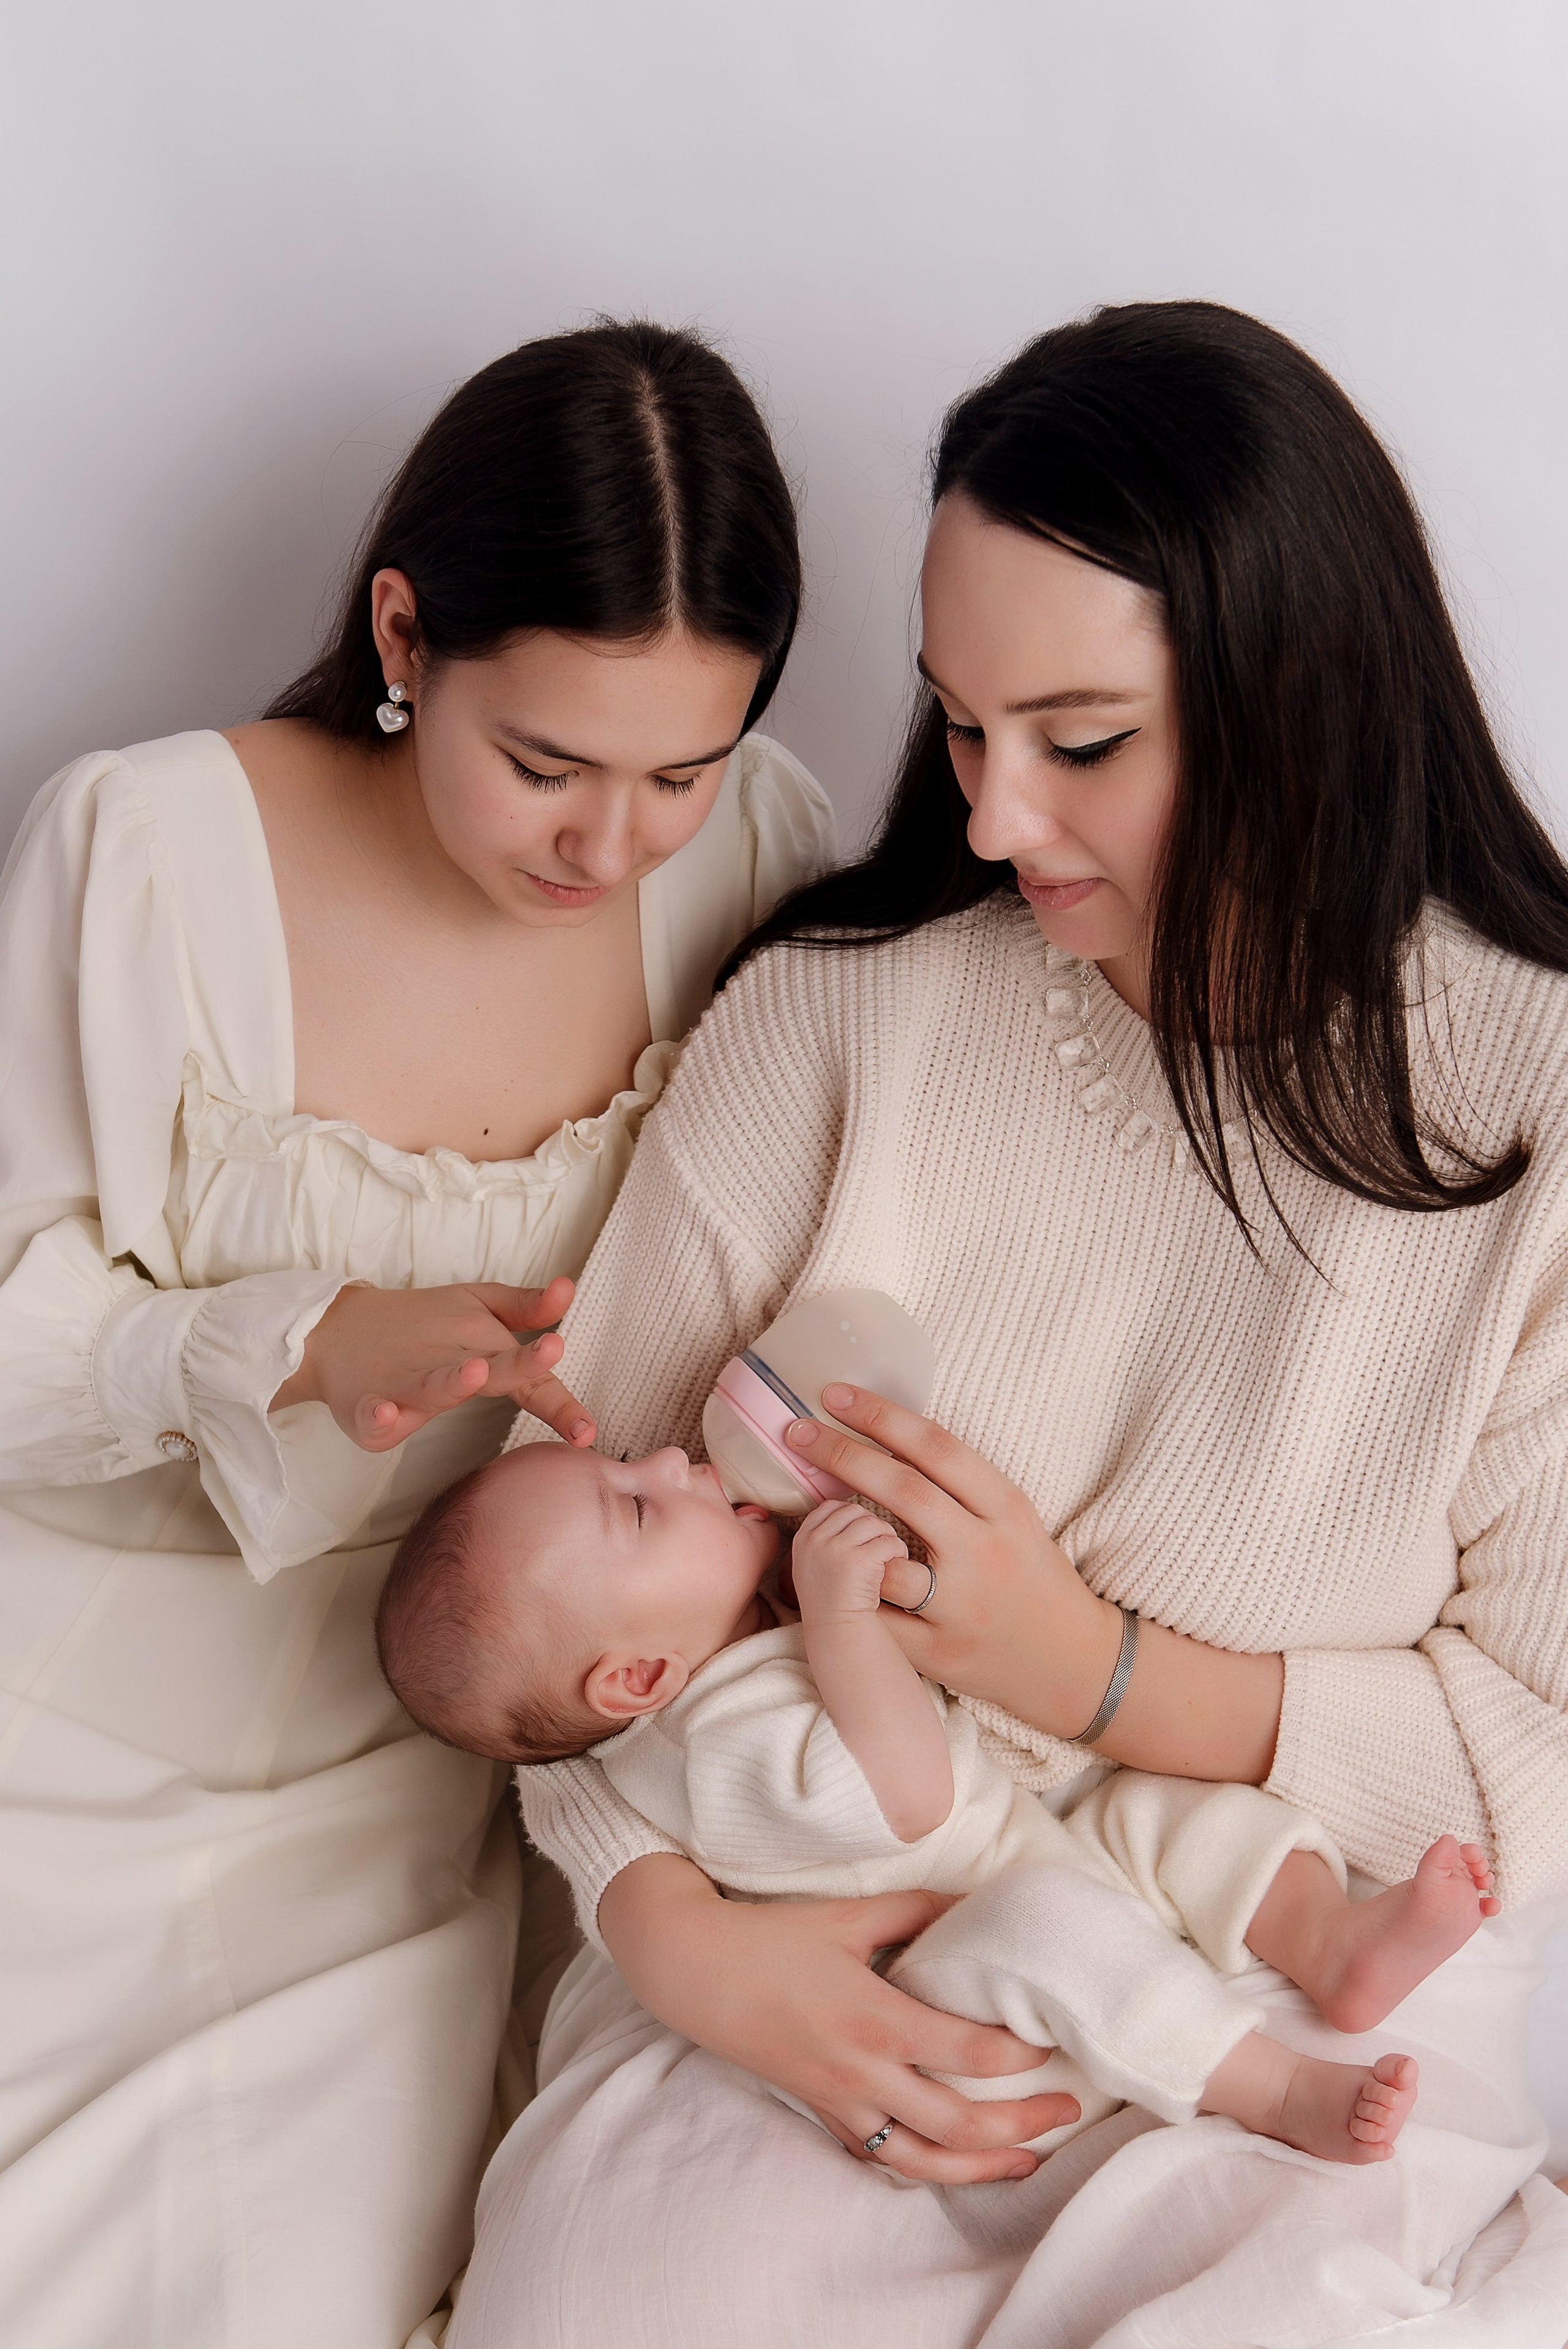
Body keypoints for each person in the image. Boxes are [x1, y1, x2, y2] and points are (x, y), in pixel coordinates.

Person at [451, 303, 1568, 2345]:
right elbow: (556, 1583)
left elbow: (1532, 1745)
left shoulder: (1536, 1103)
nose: (987, 820)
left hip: (1289, 1975)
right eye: (961, 724)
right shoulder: (843, 1014)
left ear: (1296, 695)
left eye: (1082, 740)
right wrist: (683, 1940)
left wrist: (1097, 1665)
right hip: (829, 1955)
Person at [0, 319, 833, 2346]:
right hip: (67, 1742)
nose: (611, 845)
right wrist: (289, 1339)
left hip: (448, 1792)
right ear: (403, 630)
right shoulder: (144, 850)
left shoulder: (765, 855)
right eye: (543, 762)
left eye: (676, 770)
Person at [375, 1437, 1507, 2166]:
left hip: (1034, 1846)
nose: (672, 1461)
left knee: (1174, 1802)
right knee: (1056, 1928)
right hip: (967, 1990)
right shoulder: (716, 1750)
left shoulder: (716, 1671)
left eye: (631, 1459)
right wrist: (840, 1616)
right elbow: (909, 1795)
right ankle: (1272, 2085)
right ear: (633, 1680)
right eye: (636, 1507)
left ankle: (1330, 1941)